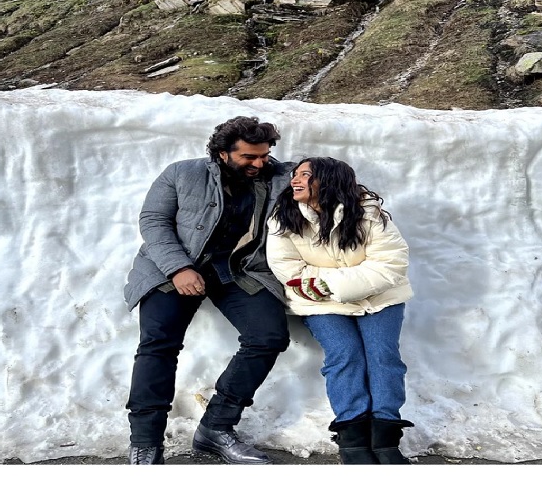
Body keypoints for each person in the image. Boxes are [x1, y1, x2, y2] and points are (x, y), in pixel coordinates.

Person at [123, 116, 294, 465]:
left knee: (269, 335)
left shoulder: (280, 177)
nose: (259, 164)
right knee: (158, 343)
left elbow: (331, 183)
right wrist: (179, 268)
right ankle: (145, 441)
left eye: (264, 155)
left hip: (238, 271)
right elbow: (153, 221)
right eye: (249, 157)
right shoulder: (182, 173)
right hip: (172, 268)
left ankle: (216, 427)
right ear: (222, 153)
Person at [265, 157, 415, 465]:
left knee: (383, 357)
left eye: (305, 175)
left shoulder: (368, 213)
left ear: (329, 180)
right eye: (295, 175)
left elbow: (390, 263)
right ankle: (353, 439)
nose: (295, 180)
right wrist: (336, 285)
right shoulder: (284, 218)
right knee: (344, 355)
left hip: (380, 297)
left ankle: (385, 439)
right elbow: (288, 269)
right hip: (319, 301)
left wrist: (327, 280)